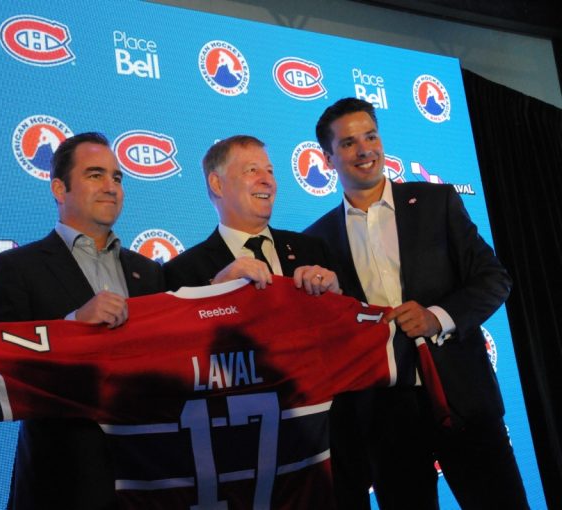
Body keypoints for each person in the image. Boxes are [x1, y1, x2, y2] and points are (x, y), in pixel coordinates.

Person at [305, 97, 528, 509]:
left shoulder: (436, 202)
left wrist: (437, 317)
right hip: (384, 418)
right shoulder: (317, 240)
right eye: (349, 143)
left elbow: (494, 279)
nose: (365, 150)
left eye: (371, 136)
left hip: (464, 401)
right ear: (327, 158)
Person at [0, 132, 164, 509]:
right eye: (95, 175)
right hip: (61, 481)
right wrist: (72, 326)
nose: (111, 186)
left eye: (117, 177)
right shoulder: (18, 268)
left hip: (146, 477)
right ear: (59, 189)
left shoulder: (148, 273)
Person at [164, 135, 339, 295]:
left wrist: (335, 294)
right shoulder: (182, 271)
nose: (267, 180)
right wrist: (217, 291)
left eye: (270, 171)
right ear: (217, 184)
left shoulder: (313, 250)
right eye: (252, 170)